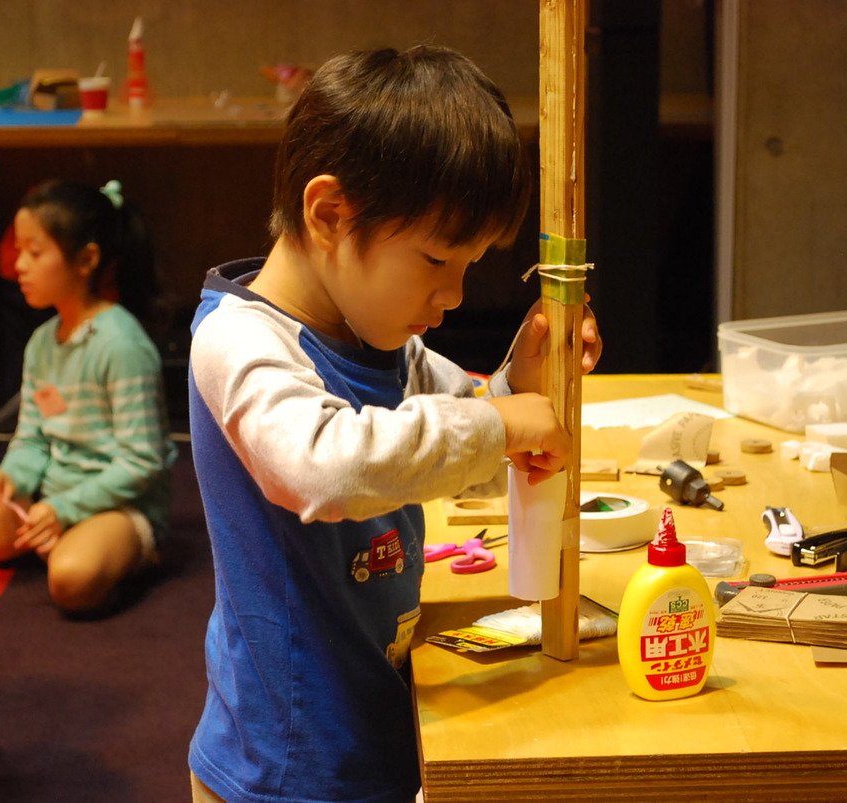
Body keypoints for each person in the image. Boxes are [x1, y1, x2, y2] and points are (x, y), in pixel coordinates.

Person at [187, 45, 601, 803]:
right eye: (437, 260)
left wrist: (521, 383)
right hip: (285, 769)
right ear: (329, 214)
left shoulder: (380, 341)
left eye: (471, 265)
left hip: (371, 726)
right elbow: (324, 469)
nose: (455, 295)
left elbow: (460, 442)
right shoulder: (238, 340)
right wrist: (501, 423)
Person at [0, 179, 177, 616]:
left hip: (119, 508)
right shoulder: (42, 342)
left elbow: (142, 462)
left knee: (71, 580)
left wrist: (64, 508)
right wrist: (10, 478)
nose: (18, 265)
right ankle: (55, 539)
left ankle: (111, 551)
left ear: (86, 260)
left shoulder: (122, 344)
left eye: (34, 252)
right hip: (46, 501)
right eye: (19, 250)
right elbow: (32, 439)